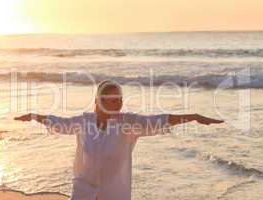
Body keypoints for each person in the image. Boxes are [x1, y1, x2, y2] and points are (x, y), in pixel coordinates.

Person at [14, 80, 224, 200]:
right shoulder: (84, 122)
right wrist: (34, 116)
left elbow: (162, 120)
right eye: (112, 100)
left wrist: (194, 116)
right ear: (98, 101)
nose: (118, 104)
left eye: (120, 99)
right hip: (83, 192)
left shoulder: (129, 124)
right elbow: (58, 123)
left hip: (115, 194)